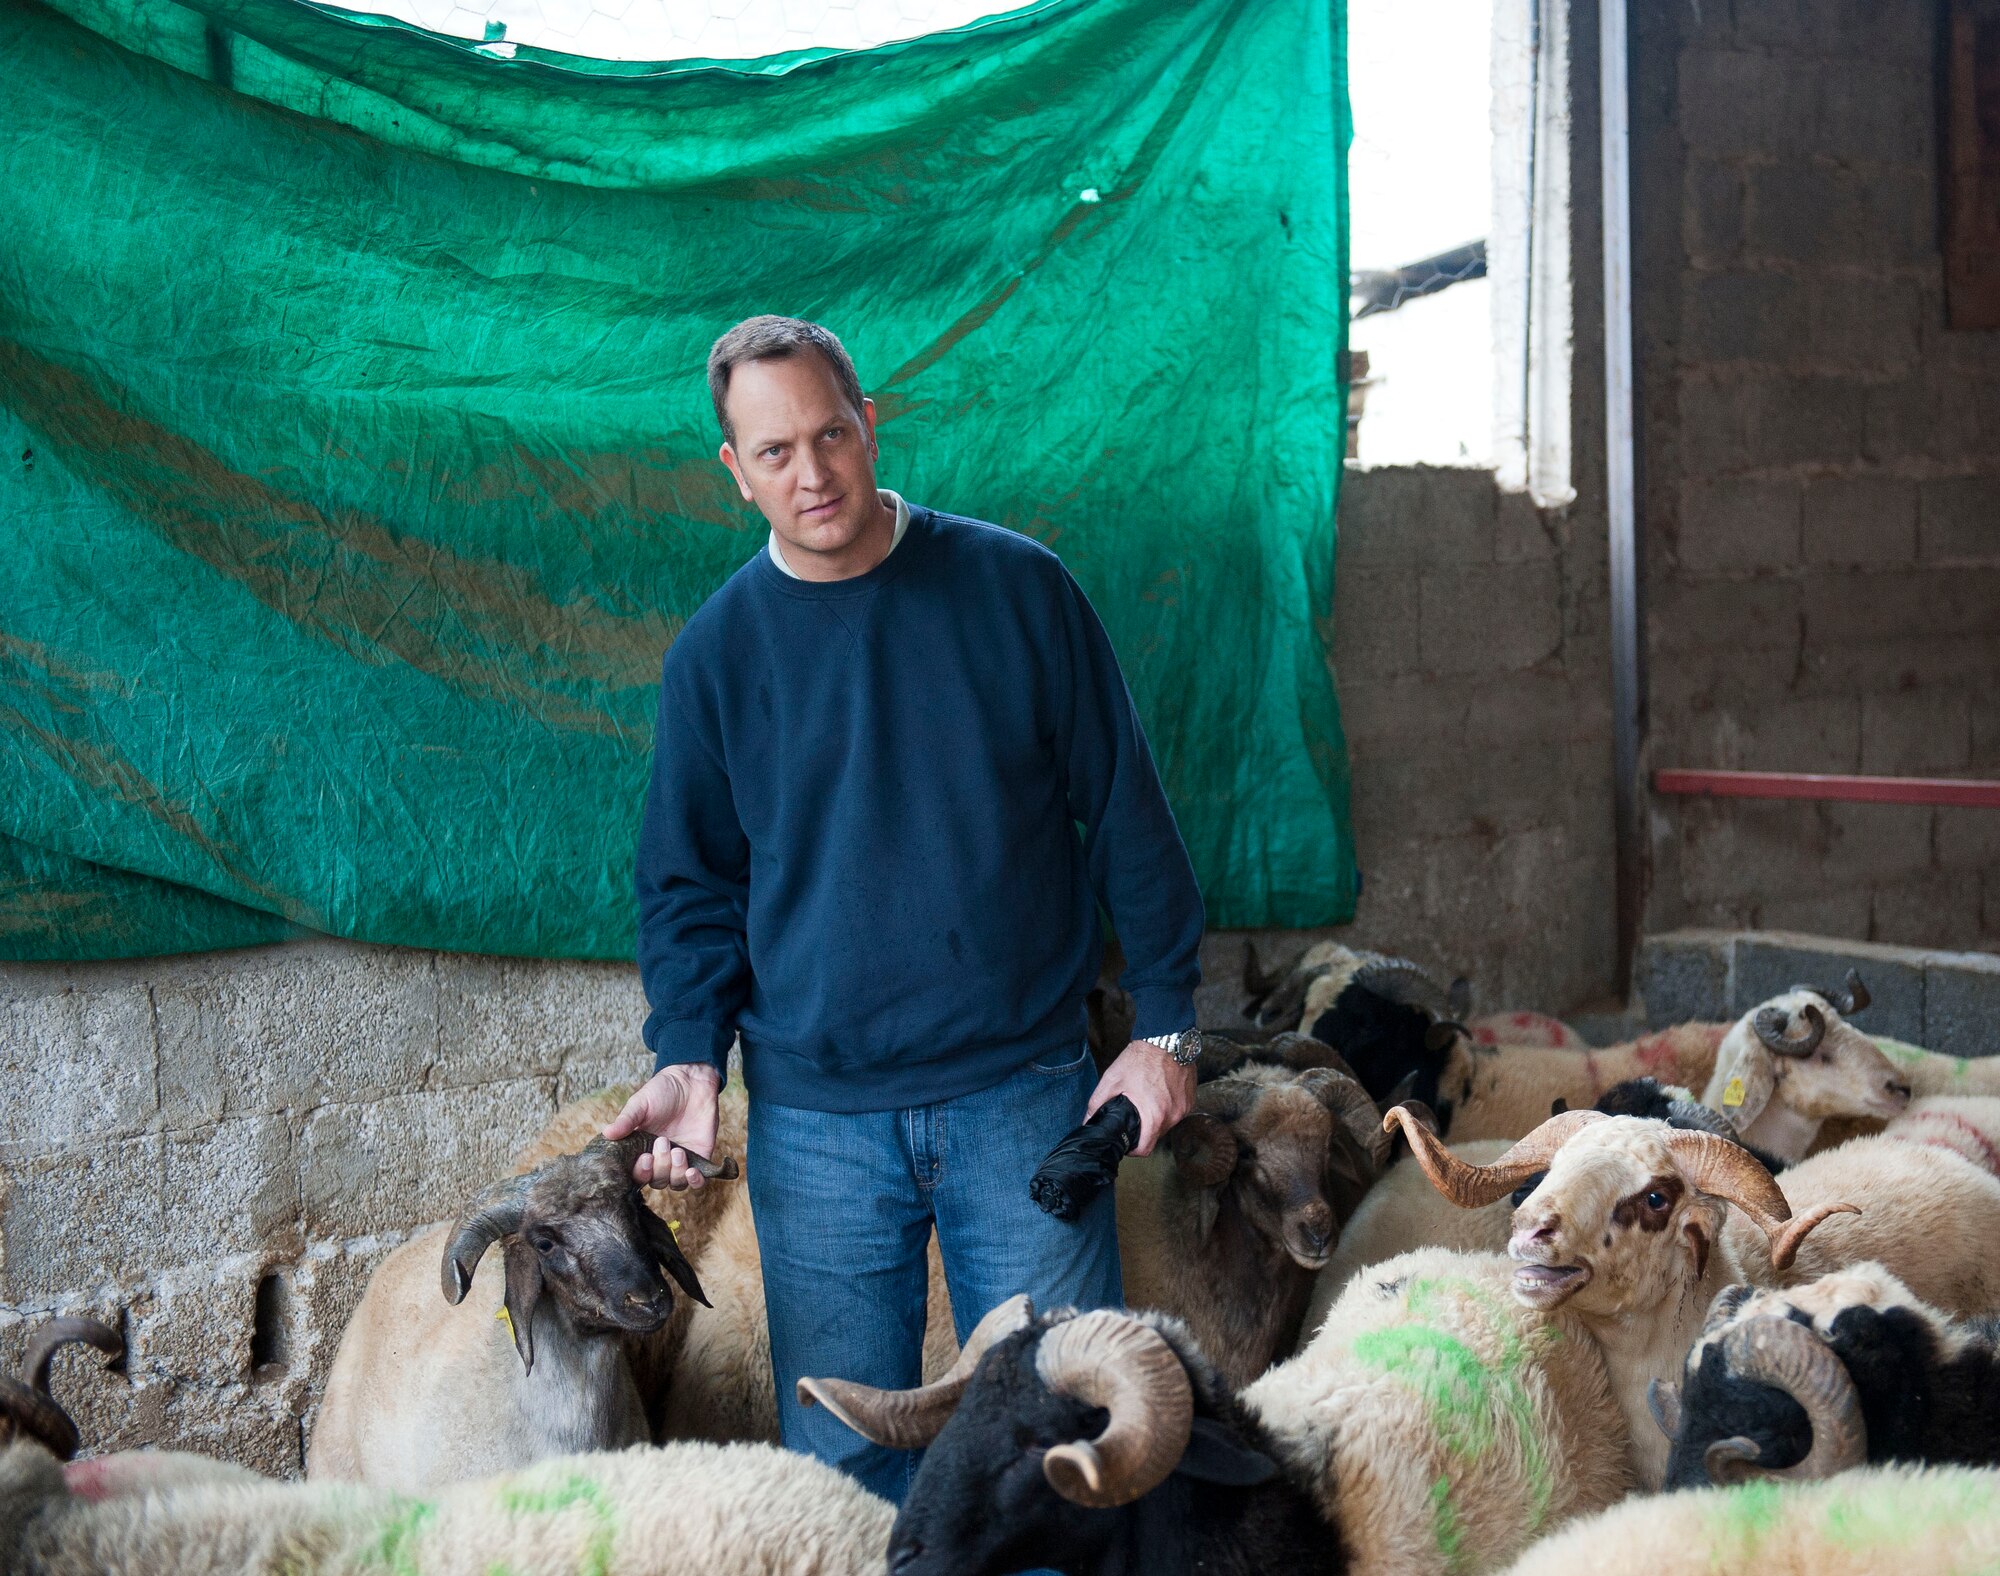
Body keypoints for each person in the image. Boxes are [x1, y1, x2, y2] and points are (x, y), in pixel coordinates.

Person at [605, 314, 1206, 1503]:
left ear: (869, 421)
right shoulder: (716, 657)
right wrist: (688, 1053)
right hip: (818, 1131)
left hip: (1025, 1103)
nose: (812, 472)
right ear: (733, 471)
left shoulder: (1017, 590)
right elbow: (688, 886)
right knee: (839, 1475)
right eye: (772, 452)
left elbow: (1127, 815)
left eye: (830, 433)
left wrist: (1167, 1027)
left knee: (1066, 1449)